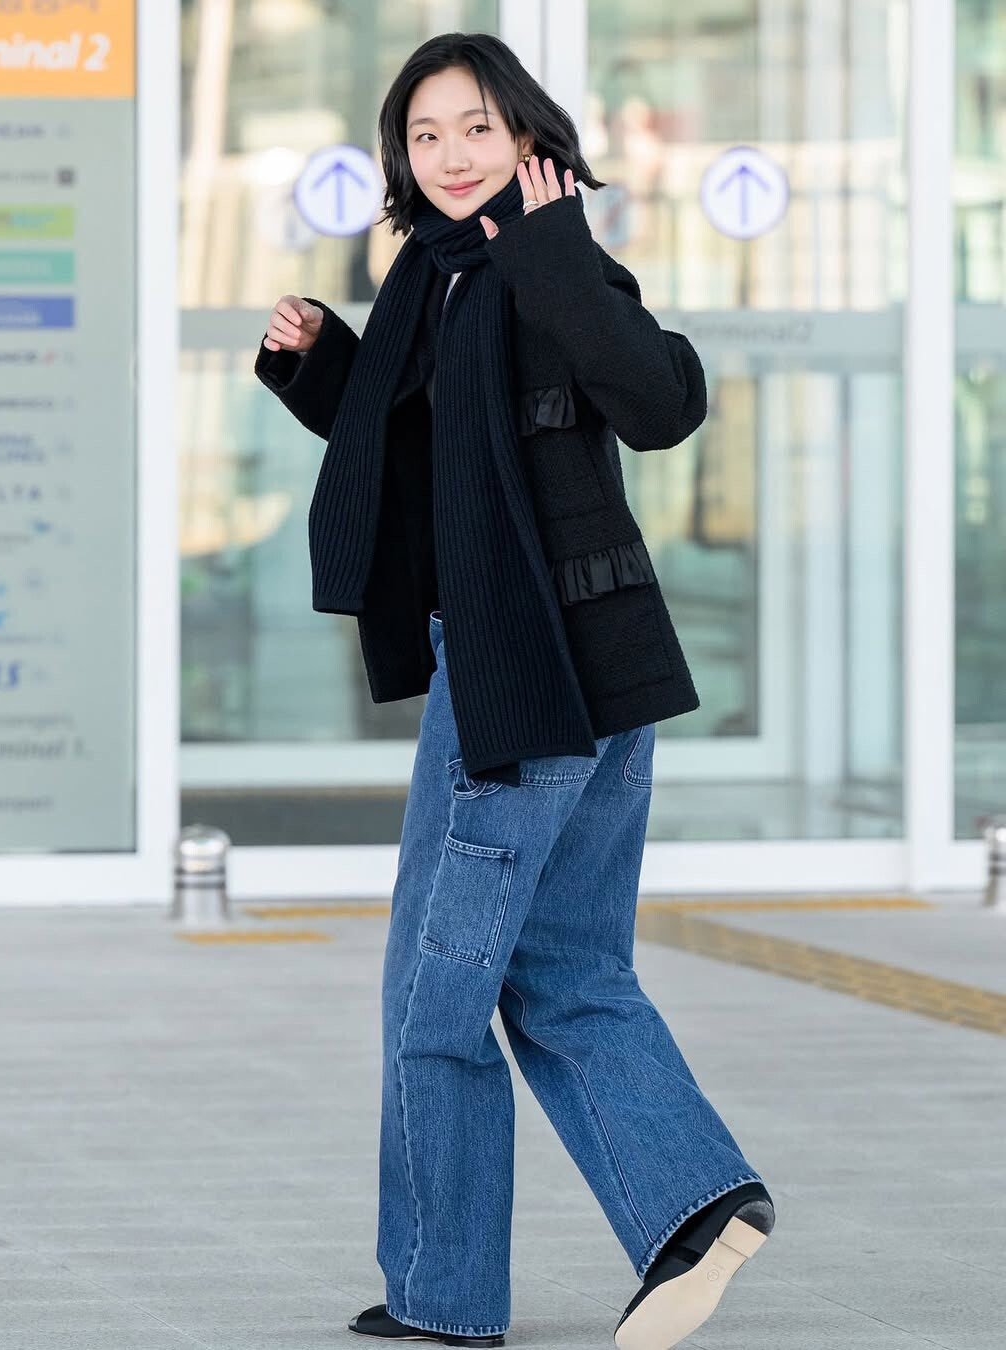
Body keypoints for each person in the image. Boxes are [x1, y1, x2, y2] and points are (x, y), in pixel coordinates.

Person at [255, 31, 775, 1350]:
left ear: (530, 135)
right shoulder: (443, 275)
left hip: (523, 679)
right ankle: (699, 1208)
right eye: (425, 134)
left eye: (474, 127)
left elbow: (661, 401)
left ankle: (445, 1295)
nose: (449, 154)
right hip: (587, 675)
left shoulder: (546, 259)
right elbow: (443, 458)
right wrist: (327, 367)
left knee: (435, 997)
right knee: (563, 968)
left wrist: (552, 255)